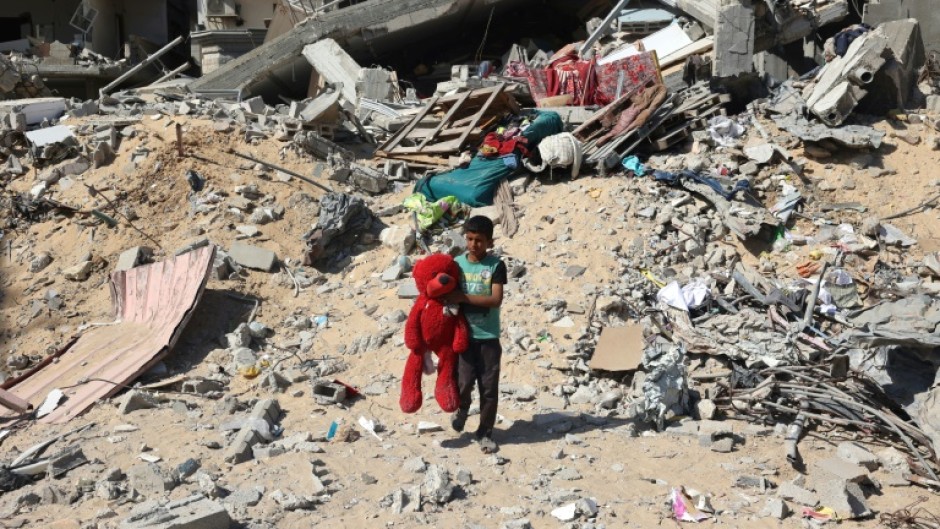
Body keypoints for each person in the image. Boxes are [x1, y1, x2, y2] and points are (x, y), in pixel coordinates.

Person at [444, 215, 507, 454]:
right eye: (469, 239)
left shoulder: (495, 266)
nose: (473, 244)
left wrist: (463, 298)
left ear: (489, 242)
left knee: (489, 388)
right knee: (463, 382)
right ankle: (462, 409)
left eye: (479, 240)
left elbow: (495, 299)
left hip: (488, 337)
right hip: (463, 337)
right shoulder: (457, 264)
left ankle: (485, 432)